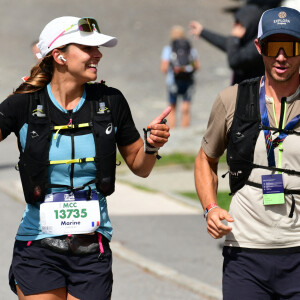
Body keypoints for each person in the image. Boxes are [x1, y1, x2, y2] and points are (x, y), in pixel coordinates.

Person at [0, 16, 171, 300]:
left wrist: (152, 146)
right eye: (87, 48)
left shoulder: (110, 101)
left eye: (98, 49)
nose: (98, 55)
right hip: (38, 246)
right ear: (59, 56)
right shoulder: (24, 102)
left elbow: (140, 167)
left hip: (92, 249)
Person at [194, 6, 300, 299]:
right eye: (272, 46)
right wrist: (210, 208)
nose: (281, 56)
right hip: (245, 253)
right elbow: (206, 158)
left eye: (290, 46)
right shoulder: (232, 99)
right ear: (258, 46)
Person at [189, 4, 265, 85]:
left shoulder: (258, 46)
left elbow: (234, 61)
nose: (235, 26)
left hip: (252, 94)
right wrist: (202, 32)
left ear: (250, 24)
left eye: (240, 24)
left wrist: (234, 37)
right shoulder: (247, 40)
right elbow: (227, 44)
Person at [160, 25, 200, 128]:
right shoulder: (190, 49)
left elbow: (164, 68)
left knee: (172, 108)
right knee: (185, 108)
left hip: (172, 82)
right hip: (188, 80)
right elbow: (197, 66)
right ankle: (185, 130)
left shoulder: (168, 49)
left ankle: (172, 131)